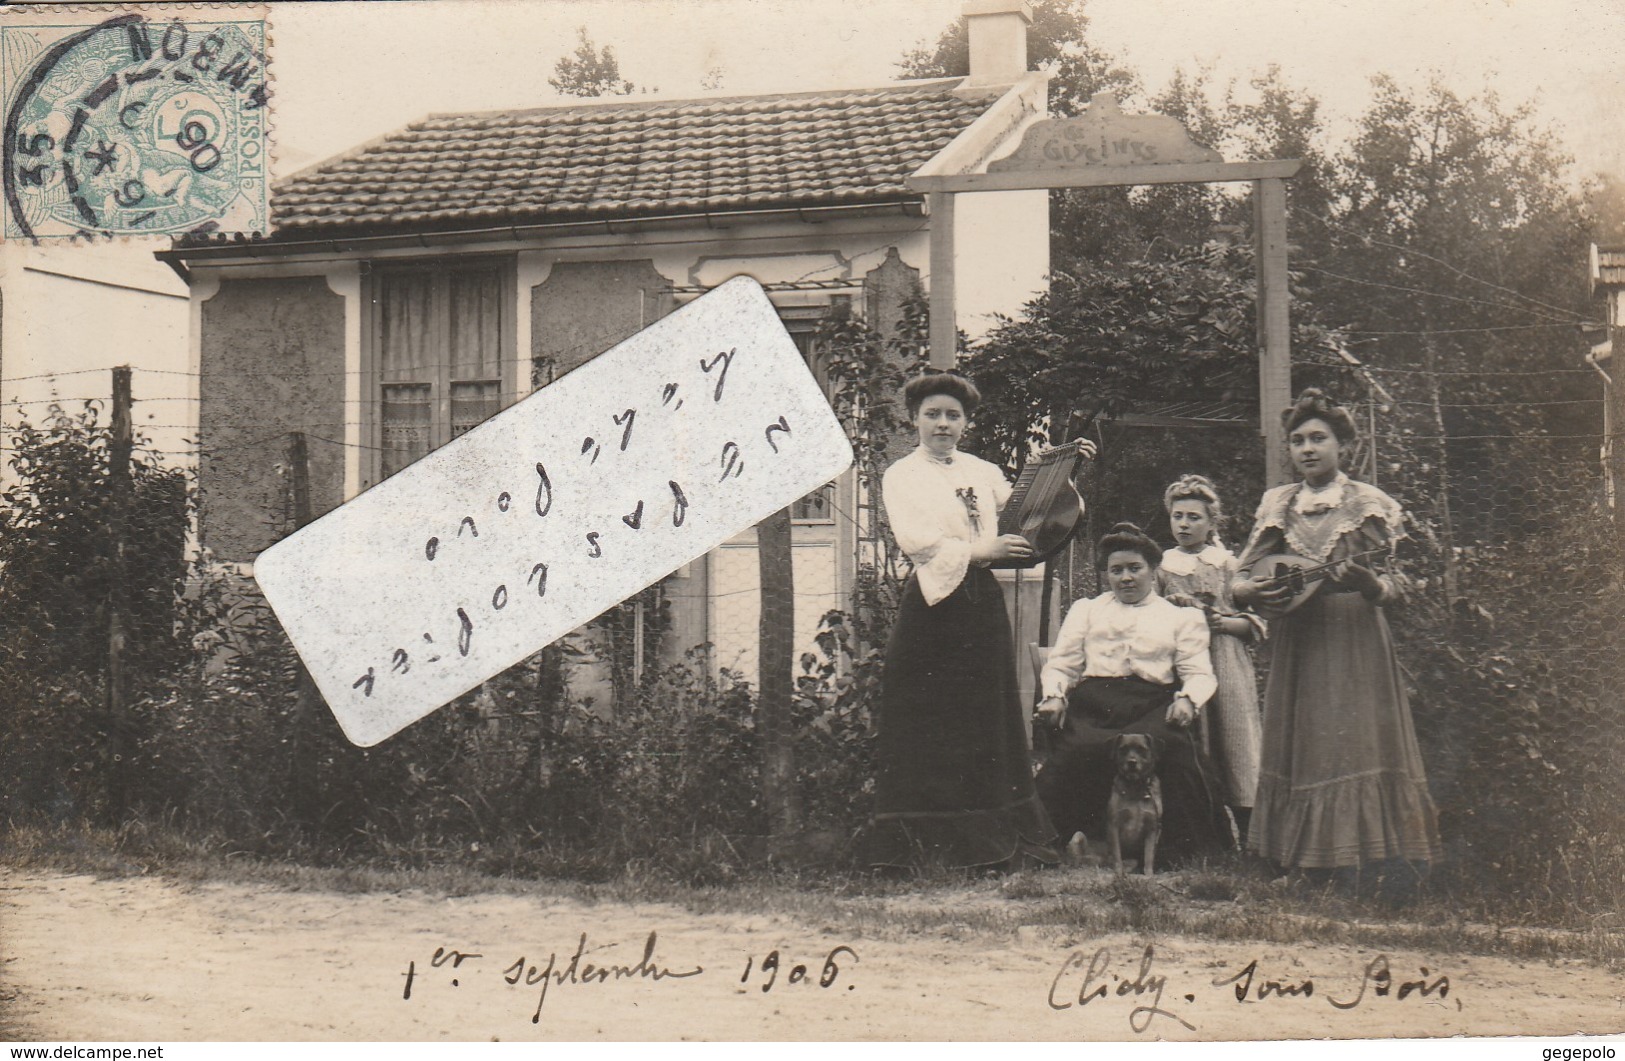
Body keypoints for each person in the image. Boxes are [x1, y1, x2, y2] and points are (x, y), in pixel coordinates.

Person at [863, 372, 1090, 872]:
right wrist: (978, 549)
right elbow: (917, 541)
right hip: (931, 605)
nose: (942, 424)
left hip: (980, 605)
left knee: (985, 718)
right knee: (928, 717)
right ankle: (923, 848)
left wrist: (1066, 470)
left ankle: (992, 846)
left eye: (952, 415)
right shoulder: (902, 474)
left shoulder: (982, 470)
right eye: (932, 414)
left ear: (966, 422)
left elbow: (1028, 514)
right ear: (914, 419)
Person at [1231, 388, 1441, 897]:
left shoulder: (1367, 506)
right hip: (1300, 639)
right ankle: (1305, 861)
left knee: (1355, 739)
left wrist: (1369, 585)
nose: (1307, 448)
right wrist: (1255, 590)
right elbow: (1237, 583)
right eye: (1298, 440)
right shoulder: (1278, 506)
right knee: (1308, 742)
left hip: (1355, 639)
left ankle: (1374, 865)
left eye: (1318, 438)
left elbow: (1400, 584)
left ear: (1342, 444)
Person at [1035, 523, 1229, 863]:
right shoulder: (1088, 610)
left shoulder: (1180, 617)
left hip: (1153, 703)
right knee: (1077, 750)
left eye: (1134, 568)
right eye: (1116, 570)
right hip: (1096, 702)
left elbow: (1198, 673)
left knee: (1174, 750)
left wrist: (1188, 699)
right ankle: (1054, 843)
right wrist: (1054, 694)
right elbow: (1063, 664)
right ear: (1107, 574)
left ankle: (1181, 851)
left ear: (1153, 571)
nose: (1126, 578)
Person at [1158, 474, 1264, 844]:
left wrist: (1225, 622)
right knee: (1193, 743)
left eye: (1194, 517)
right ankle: (1207, 836)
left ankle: (1251, 834)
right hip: (1182, 663)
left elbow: (1256, 622)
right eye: (1178, 516)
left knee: (1236, 741)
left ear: (1211, 522)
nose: (1184, 524)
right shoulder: (1161, 565)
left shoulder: (1228, 564)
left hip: (1226, 659)